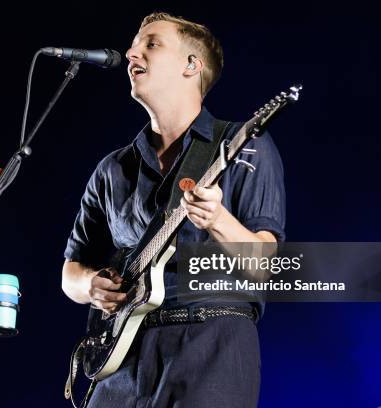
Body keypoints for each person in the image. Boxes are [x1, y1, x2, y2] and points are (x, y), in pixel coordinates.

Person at [61, 11, 285, 408]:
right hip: (121, 359)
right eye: (135, 43)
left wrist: (217, 219)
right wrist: (91, 286)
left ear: (191, 65)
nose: (131, 52)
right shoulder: (113, 169)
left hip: (211, 343)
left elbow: (264, 266)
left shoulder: (244, 146)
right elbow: (72, 271)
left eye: (151, 43)